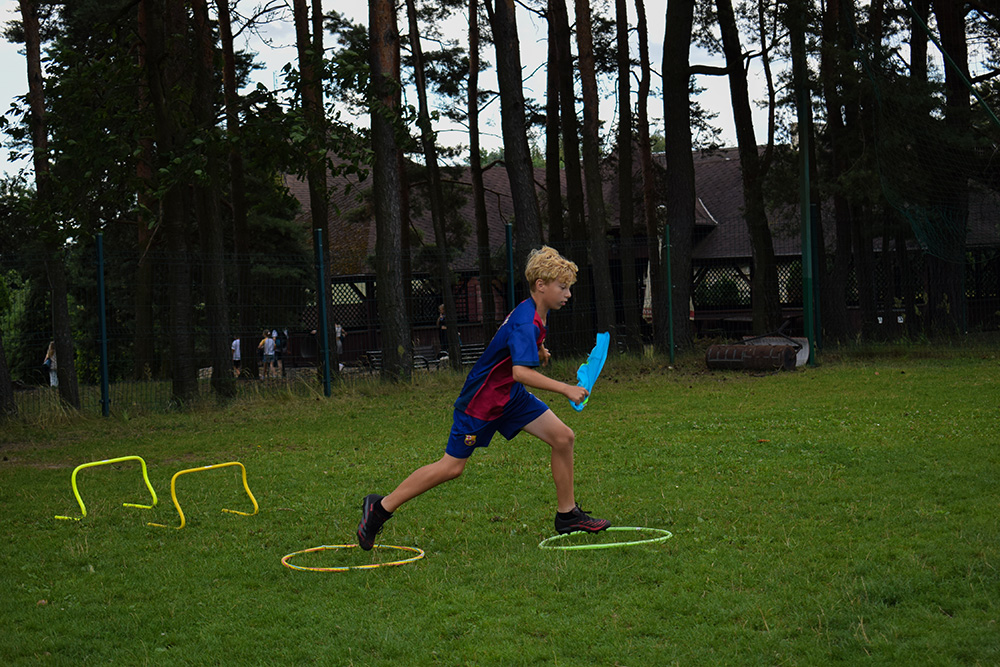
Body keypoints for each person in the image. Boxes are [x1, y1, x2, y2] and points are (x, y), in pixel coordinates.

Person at [357, 246, 610, 550]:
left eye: (569, 287)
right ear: (541, 285)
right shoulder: (526, 321)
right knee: (452, 467)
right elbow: (520, 372)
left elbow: (524, 346)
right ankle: (380, 508)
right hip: (482, 402)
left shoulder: (536, 311)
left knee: (563, 437)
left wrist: (540, 350)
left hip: (510, 397)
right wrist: (566, 388)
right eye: (563, 287)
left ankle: (567, 515)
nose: (568, 294)